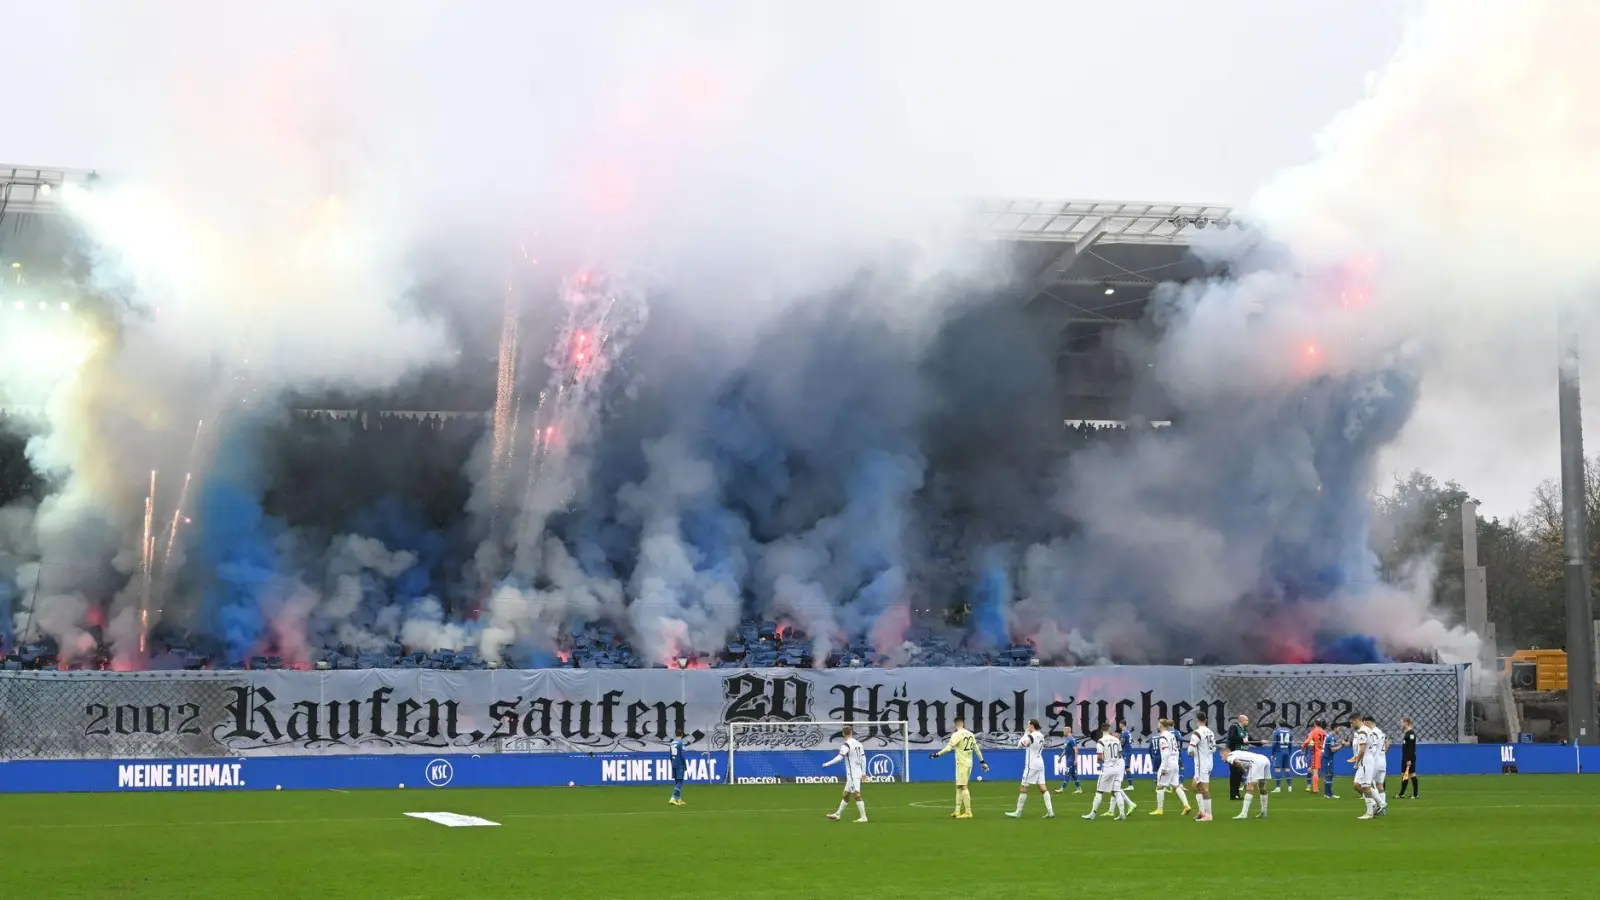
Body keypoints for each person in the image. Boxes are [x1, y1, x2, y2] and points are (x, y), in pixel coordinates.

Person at [931, 716, 988, 819]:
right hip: (969, 762)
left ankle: (968, 812)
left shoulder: (956, 735)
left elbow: (948, 748)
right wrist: (982, 762)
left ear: (956, 725)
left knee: (963, 786)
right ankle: (957, 811)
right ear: (963, 723)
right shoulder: (970, 734)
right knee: (958, 786)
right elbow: (976, 749)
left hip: (962, 763)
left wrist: (936, 754)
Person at [1007, 719, 1056, 819]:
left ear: (1032, 725)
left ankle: (1018, 812)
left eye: (1028, 725)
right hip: (1040, 762)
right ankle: (1050, 811)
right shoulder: (1041, 735)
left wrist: (1025, 733)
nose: (1027, 726)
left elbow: (1020, 745)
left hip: (1032, 764)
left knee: (1023, 787)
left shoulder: (1031, 735)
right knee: (1042, 787)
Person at [822, 725, 868, 822]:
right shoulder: (859, 743)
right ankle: (838, 814)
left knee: (856, 794)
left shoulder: (846, 745)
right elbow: (863, 758)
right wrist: (863, 772)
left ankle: (863, 817)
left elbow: (839, 758)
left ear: (843, 734)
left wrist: (827, 764)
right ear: (851, 733)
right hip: (857, 771)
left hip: (852, 774)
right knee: (846, 794)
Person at [1083, 723, 1128, 821]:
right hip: (1117, 768)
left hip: (1107, 769)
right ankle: (1122, 813)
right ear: (1109, 729)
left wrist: (1101, 760)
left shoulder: (1101, 741)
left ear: (1101, 731)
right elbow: (1120, 754)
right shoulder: (1116, 739)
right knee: (1116, 791)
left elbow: (1099, 757)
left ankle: (1093, 813)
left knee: (1099, 792)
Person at [1149, 718, 1192, 817]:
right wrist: (1176, 762)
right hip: (1174, 763)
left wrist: (1163, 767)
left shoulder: (1163, 737)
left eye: (1158, 723)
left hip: (1167, 763)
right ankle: (1186, 805)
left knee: (1159, 786)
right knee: (1175, 785)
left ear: (1161, 725)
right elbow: (1176, 750)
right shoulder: (1172, 735)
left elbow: (1166, 753)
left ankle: (1159, 809)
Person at [1224, 747, 1273, 819]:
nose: (1221, 758)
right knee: (1262, 787)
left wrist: (1244, 772)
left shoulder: (1229, 756)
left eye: (1221, 756)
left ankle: (1244, 813)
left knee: (1249, 787)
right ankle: (1264, 812)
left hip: (1256, 762)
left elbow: (1237, 762)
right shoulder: (1237, 752)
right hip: (1265, 759)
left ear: (1225, 753)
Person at [1186, 712, 1218, 822]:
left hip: (1201, 764)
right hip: (1209, 762)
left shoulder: (1197, 733)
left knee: (1204, 788)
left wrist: (1192, 753)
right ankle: (1201, 811)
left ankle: (1208, 815)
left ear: (1196, 720)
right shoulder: (1211, 732)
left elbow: (1190, 750)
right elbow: (1214, 749)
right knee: (1195, 786)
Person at [1348, 715, 1380, 820]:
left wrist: (1356, 763)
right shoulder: (1368, 729)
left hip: (1365, 761)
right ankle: (1375, 805)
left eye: (1352, 722)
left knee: (1366, 786)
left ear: (1356, 720)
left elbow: (1362, 750)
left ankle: (1371, 811)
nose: (1351, 725)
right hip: (1367, 759)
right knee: (1357, 784)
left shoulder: (1362, 731)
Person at [1224, 714, 1252, 800]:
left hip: (1243, 755)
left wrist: (1260, 742)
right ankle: (1233, 795)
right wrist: (1242, 740)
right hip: (1234, 755)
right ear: (1242, 720)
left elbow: (1250, 739)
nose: (1248, 722)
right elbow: (1231, 738)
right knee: (1234, 775)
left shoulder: (1245, 730)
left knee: (1239, 775)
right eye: (1246, 720)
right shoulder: (1234, 727)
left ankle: (1237, 794)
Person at [1367, 716, 1390, 814]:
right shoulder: (1381, 732)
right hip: (1383, 761)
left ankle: (1377, 804)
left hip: (1376, 761)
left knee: (1366, 784)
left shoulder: (1373, 733)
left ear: (1368, 722)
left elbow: (1373, 747)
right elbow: (1387, 744)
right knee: (1380, 785)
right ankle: (1382, 809)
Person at [1115, 718, 1139, 811]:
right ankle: (1130, 785)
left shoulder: (1124, 733)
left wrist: (1117, 744)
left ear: (1122, 724)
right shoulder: (1127, 732)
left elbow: (1122, 742)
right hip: (1128, 751)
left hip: (1125, 752)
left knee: (1125, 768)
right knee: (1126, 767)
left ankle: (1129, 785)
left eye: (1119, 724)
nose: (1119, 725)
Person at [1396, 717, 1420, 799]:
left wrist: (1409, 759)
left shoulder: (1411, 734)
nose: (1401, 724)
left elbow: (1410, 748)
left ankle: (1415, 794)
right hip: (1405, 757)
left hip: (1409, 758)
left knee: (1412, 774)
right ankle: (1402, 794)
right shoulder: (1407, 733)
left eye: (1402, 722)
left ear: (1406, 723)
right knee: (1404, 775)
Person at [1301, 720, 1328, 794]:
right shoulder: (1325, 733)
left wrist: (1303, 746)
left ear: (1315, 724)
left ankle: (1315, 789)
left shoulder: (1313, 732)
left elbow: (1308, 740)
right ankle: (1319, 788)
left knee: (1314, 771)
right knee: (1319, 771)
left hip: (1316, 753)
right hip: (1324, 753)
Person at [1320, 722, 1344, 799]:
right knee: (1329, 775)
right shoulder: (1331, 737)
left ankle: (1327, 793)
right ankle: (1329, 794)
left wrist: (1339, 746)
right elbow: (1333, 749)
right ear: (1335, 728)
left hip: (1327, 758)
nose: (1339, 730)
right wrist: (1342, 745)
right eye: (1338, 728)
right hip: (1327, 759)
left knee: (1329, 774)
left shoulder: (1330, 736)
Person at [1054, 729, 1082, 794]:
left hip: (1071, 760)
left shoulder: (1072, 740)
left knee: (1067, 773)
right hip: (1068, 759)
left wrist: (1075, 759)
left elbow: (1076, 750)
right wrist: (1060, 757)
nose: (1063, 732)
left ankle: (1062, 789)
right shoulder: (1067, 739)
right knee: (1074, 775)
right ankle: (1079, 789)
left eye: (1064, 731)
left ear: (1067, 731)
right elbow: (1065, 750)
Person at [1269, 722, 1294, 792]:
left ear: (1278, 724)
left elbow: (1274, 743)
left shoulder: (1276, 731)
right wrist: (1289, 751)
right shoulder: (1290, 731)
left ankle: (1278, 788)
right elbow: (1290, 743)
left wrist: (1272, 753)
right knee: (1287, 769)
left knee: (1277, 769)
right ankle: (1289, 787)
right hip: (1286, 751)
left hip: (1278, 751)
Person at [668, 728, 688, 806]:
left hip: (674, 764)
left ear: (675, 734)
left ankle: (679, 800)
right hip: (680, 764)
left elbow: (670, 755)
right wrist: (685, 765)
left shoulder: (672, 743)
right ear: (682, 734)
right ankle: (672, 798)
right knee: (680, 782)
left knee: (677, 782)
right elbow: (682, 756)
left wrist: (672, 763)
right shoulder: (681, 743)